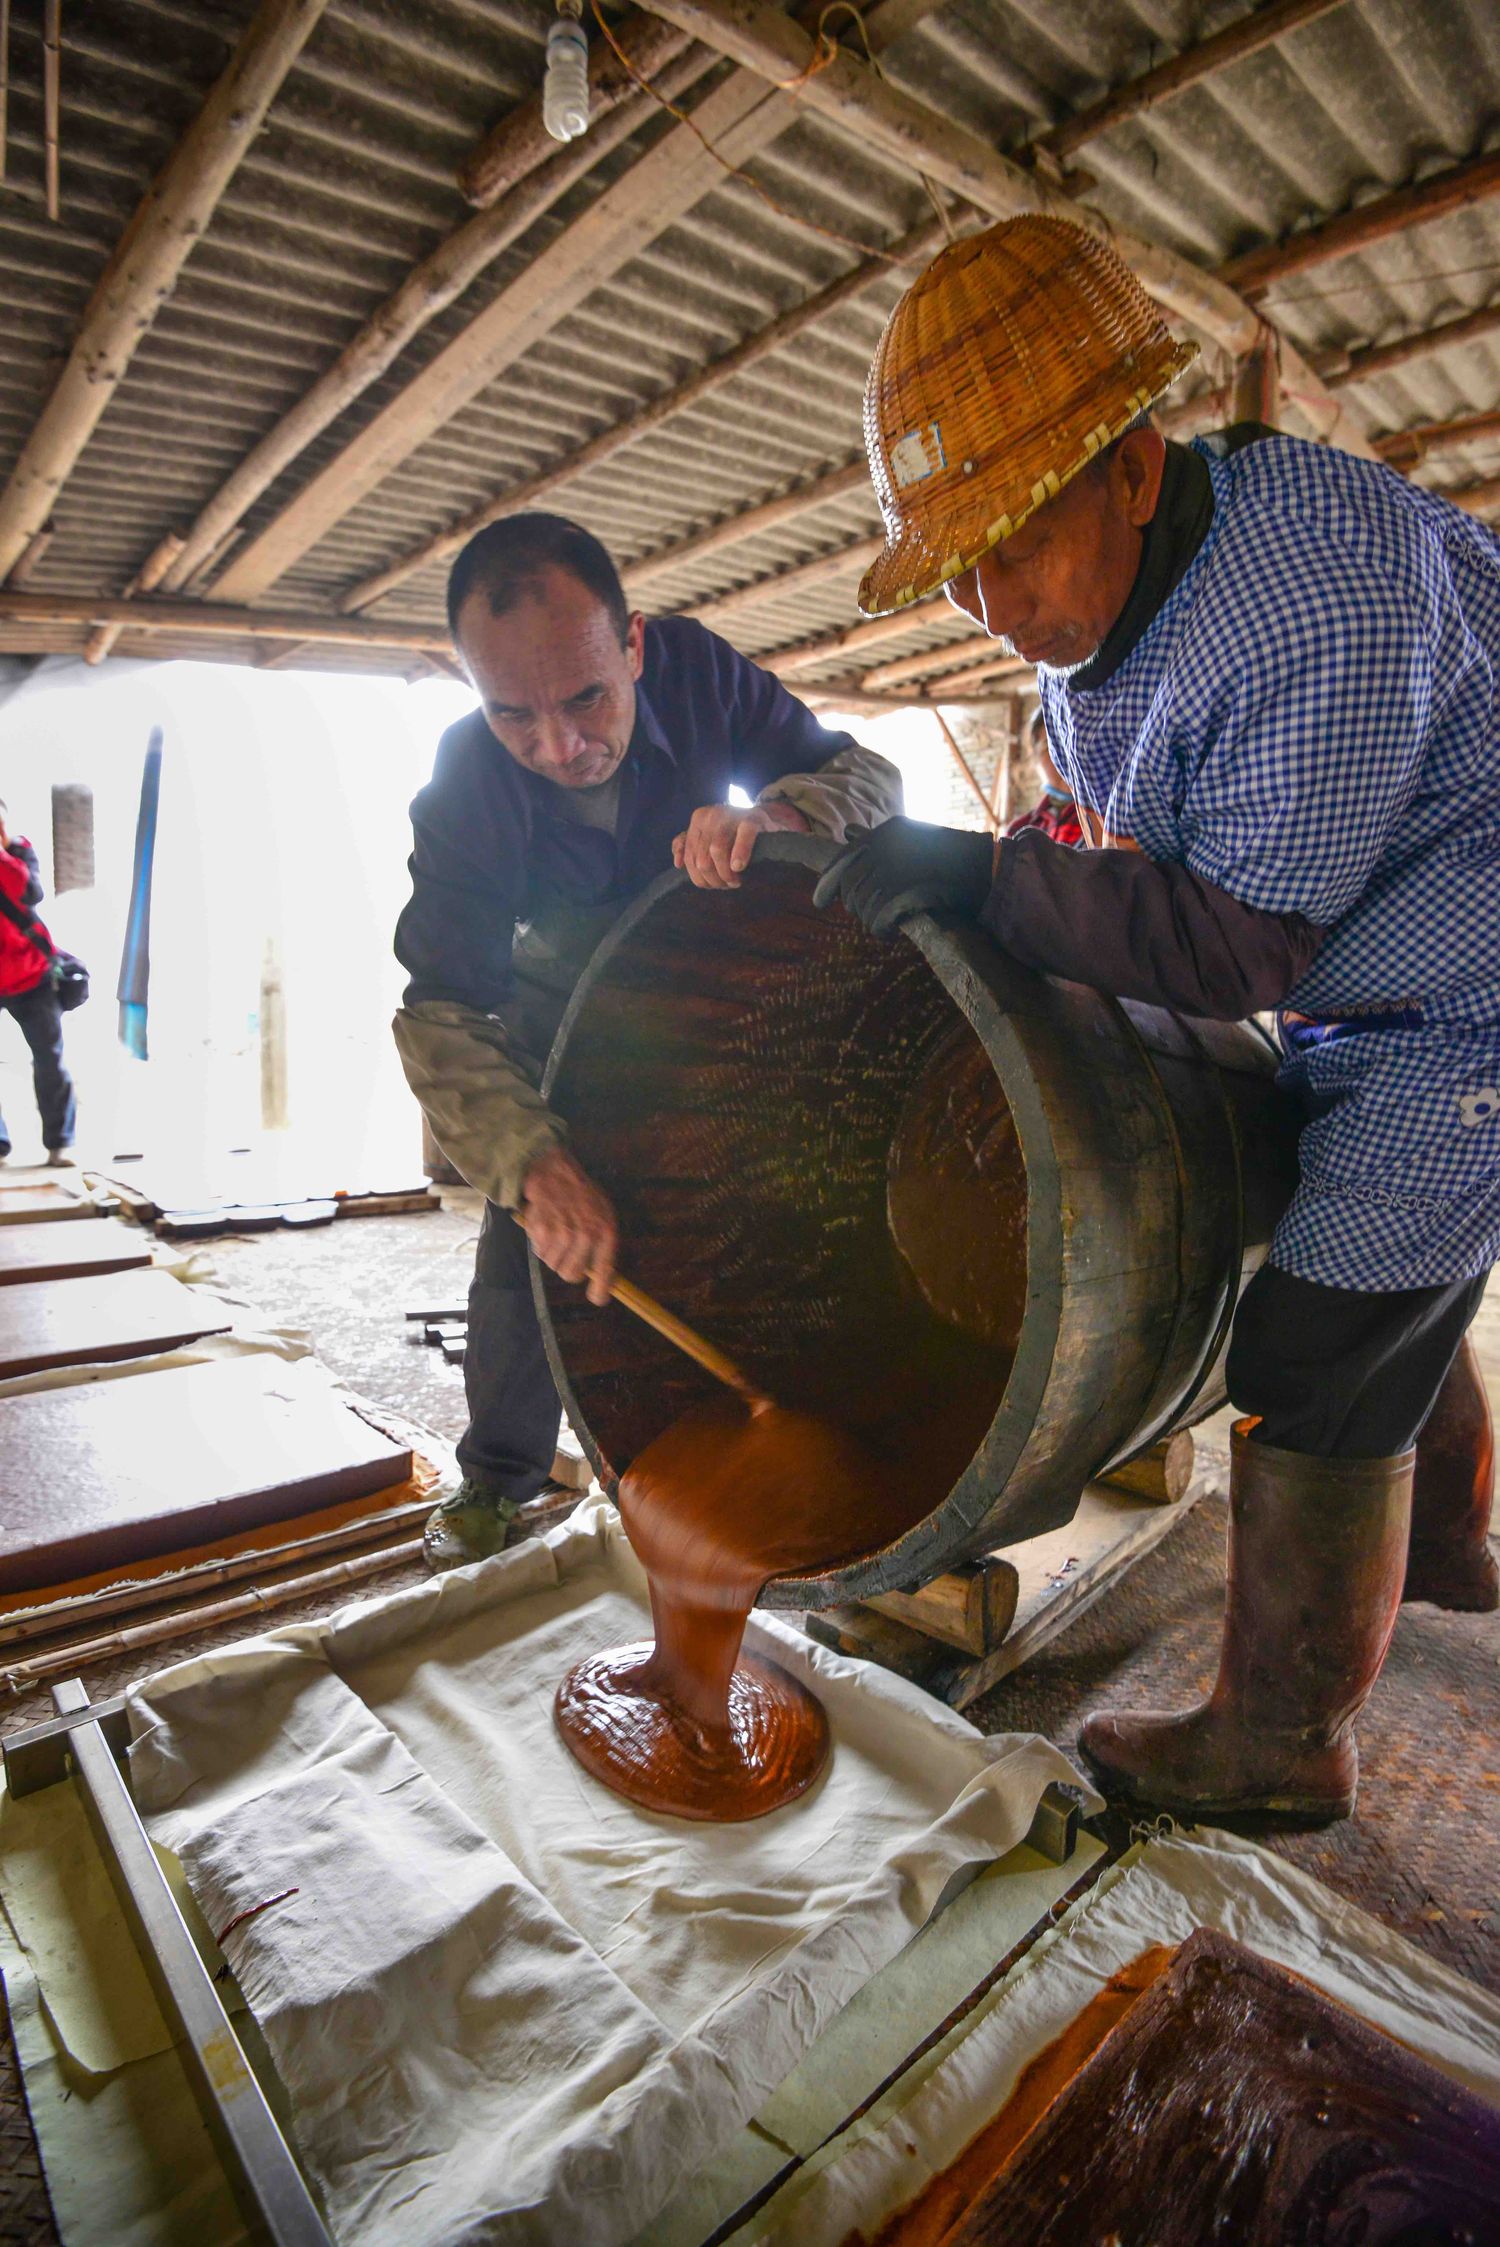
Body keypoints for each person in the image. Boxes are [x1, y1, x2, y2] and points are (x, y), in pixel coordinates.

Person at [815, 214, 1499, 1827]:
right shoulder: (1107, 608)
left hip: (1470, 1000)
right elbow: (1119, 839)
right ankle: (1455, 1538)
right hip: (1382, 984)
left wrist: (976, 879)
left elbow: (1232, 936)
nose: (993, 601)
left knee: (1314, 1342)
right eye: (962, 564)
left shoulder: (1310, 592)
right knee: (1392, 1270)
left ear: (1133, 468)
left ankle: (1282, 1738)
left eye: (1017, 546)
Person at [394, 512, 902, 1562]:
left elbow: (871, 778)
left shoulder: (705, 675)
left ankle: (807, 1417)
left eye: (585, 699)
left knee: (766, 1214)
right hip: (555, 1036)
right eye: (513, 717)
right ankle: (496, 1478)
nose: (558, 747)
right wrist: (533, 1166)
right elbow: (440, 1012)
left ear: (632, 645)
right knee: (524, 1261)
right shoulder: (463, 793)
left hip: (714, 1015)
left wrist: (780, 814)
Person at [0, 799, 76, 1169]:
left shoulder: (20, 853)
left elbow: (30, 894)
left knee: (50, 1060)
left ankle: (59, 1143)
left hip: (33, 976)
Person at [1006, 705, 1083, 848]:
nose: (1064, 757)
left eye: (1070, 742)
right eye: (1049, 748)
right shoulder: (1019, 832)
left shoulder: (1107, 816)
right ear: (1035, 759)